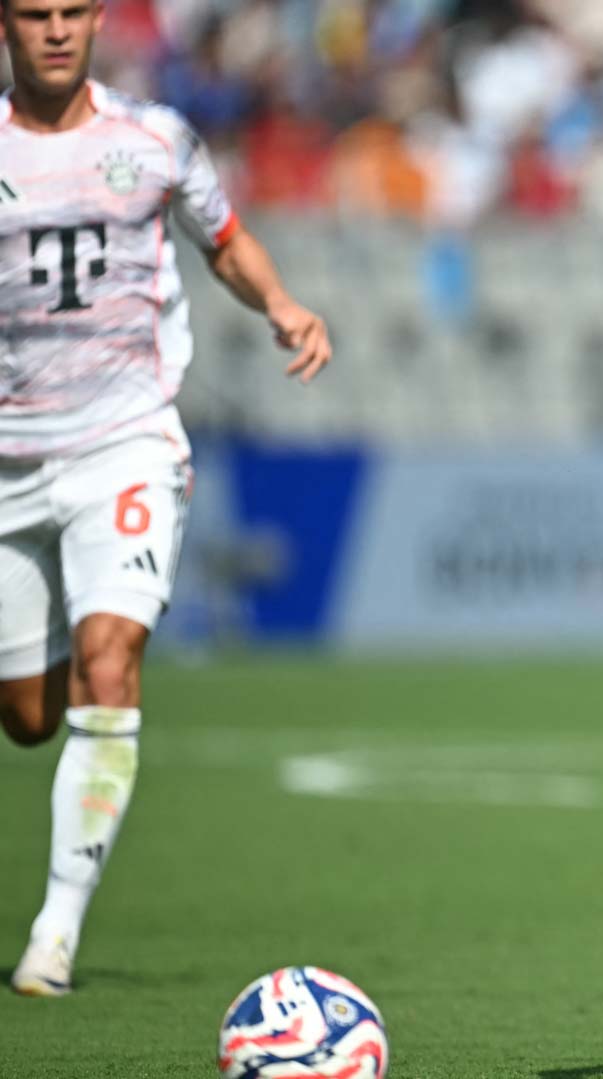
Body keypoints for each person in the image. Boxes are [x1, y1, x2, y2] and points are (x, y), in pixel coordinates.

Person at [2, 0, 332, 997]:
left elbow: (222, 236)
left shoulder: (152, 138)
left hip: (127, 445)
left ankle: (54, 934)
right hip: (11, 461)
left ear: (97, 20)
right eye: (33, 14)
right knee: (25, 715)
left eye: (71, 12)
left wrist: (280, 303)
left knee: (114, 662)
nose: (55, 31)